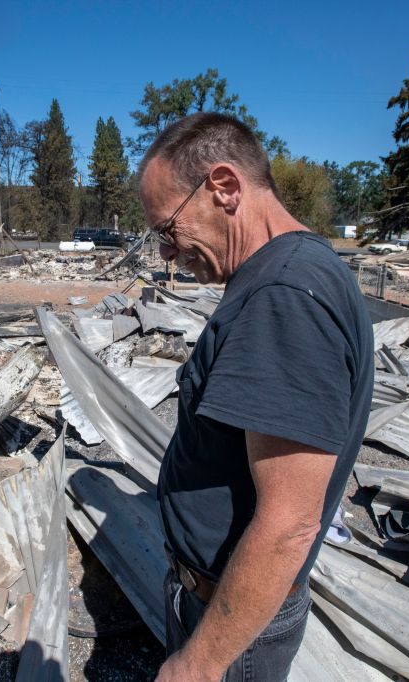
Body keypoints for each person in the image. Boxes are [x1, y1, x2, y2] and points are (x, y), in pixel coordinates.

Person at [139, 113, 373, 682]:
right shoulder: (289, 271)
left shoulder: (284, 297)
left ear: (223, 187)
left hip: (232, 627)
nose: (168, 254)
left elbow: (291, 522)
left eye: (169, 228)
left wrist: (198, 664)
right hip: (221, 602)